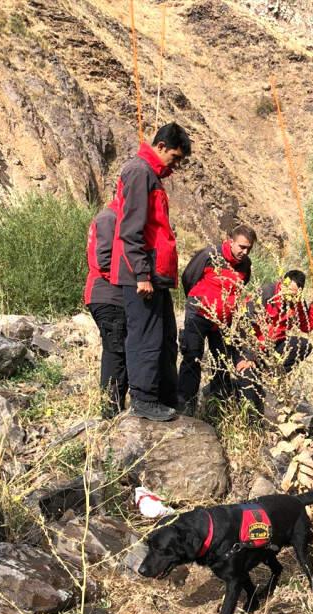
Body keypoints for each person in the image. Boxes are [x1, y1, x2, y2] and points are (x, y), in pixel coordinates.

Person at [110, 122, 191, 421]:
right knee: (146, 336)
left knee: (165, 336)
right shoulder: (138, 172)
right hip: (141, 275)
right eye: (175, 157)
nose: (177, 164)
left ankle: (165, 396)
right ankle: (144, 400)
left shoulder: (152, 175)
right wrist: (141, 274)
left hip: (154, 274)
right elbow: (130, 230)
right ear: (160, 147)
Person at [177, 224, 257, 415]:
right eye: (241, 247)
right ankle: (185, 406)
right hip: (199, 314)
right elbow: (188, 278)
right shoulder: (208, 255)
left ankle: (216, 406)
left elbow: (240, 287)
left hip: (222, 321)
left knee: (221, 361)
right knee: (192, 357)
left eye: (248, 248)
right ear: (231, 241)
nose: (244, 252)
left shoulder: (246, 265)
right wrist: (200, 300)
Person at [233, 270, 313, 418]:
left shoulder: (296, 300)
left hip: (274, 346)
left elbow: (306, 326)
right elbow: (244, 326)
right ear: (282, 282)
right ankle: (252, 420)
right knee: (248, 378)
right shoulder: (263, 294)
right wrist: (248, 356)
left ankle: (270, 375)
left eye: (294, 293)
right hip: (250, 347)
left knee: (304, 345)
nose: (289, 296)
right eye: (287, 290)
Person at [83, 200, 127, 418]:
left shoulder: (108, 217)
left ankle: (114, 407)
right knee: (116, 352)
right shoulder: (110, 218)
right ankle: (110, 411)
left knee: (119, 351)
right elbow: (104, 261)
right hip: (108, 296)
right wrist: (136, 280)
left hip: (107, 295)